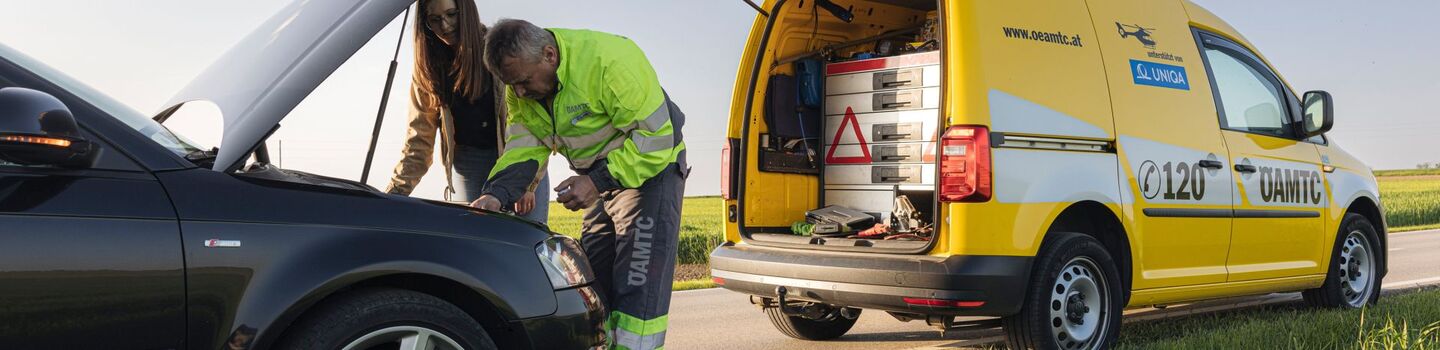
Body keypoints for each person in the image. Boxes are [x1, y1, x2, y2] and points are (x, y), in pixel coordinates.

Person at [472, 19, 687, 350]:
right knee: (592, 283)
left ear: (549, 55)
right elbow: (524, 146)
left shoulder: (609, 60)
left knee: (636, 288)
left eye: (524, 82)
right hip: (601, 178)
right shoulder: (521, 87)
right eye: (510, 85)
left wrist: (595, 181)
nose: (519, 93)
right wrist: (494, 194)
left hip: (651, 172)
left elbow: (656, 139)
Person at [385, 0, 548, 223]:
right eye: (435, 19)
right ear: (426, 24)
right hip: (468, 165)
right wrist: (393, 194)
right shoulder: (427, 69)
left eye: (451, 14)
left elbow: (534, 122)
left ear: (466, 11)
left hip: (518, 157)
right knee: (477, 238)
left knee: (527, 239)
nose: (445, 25)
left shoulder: (500, 49)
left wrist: (530, 183)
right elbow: (418, 142)